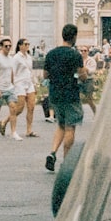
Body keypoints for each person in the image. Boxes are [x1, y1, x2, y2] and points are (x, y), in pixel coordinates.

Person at [43, 23, 86, 172]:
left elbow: (45, 75)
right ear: (74, 36)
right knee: (70, 128)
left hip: (55, 94)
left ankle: (52, 153)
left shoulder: (51, 54)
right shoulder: (75, 55)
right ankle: (67, 162)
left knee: (61, 125)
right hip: (70, 94)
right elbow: (83, 75)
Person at [10, 38, 39, 137]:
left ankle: (29, 130)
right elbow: (12, 71)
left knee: (31, 107)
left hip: (29, 83)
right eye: (25, 44)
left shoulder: (29, 57)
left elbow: (31, 71)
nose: (27, 46)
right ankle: (5, 121)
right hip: (20, 83)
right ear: (20, 46)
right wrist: (12, 85)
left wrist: (35, 84)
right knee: (20, 108)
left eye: (28, 44)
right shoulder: (16, 57)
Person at [80, 46, 98, 115]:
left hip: (88, 80)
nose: (83, 52)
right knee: (76, 97)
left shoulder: (91, 60)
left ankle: (95, 113)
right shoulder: (78, 60)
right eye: (81, 51)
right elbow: (75, 71)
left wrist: (86, 69)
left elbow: (92, 71)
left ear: (88, 51)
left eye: (85, 50)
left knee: (89, 99)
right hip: (79, 80)